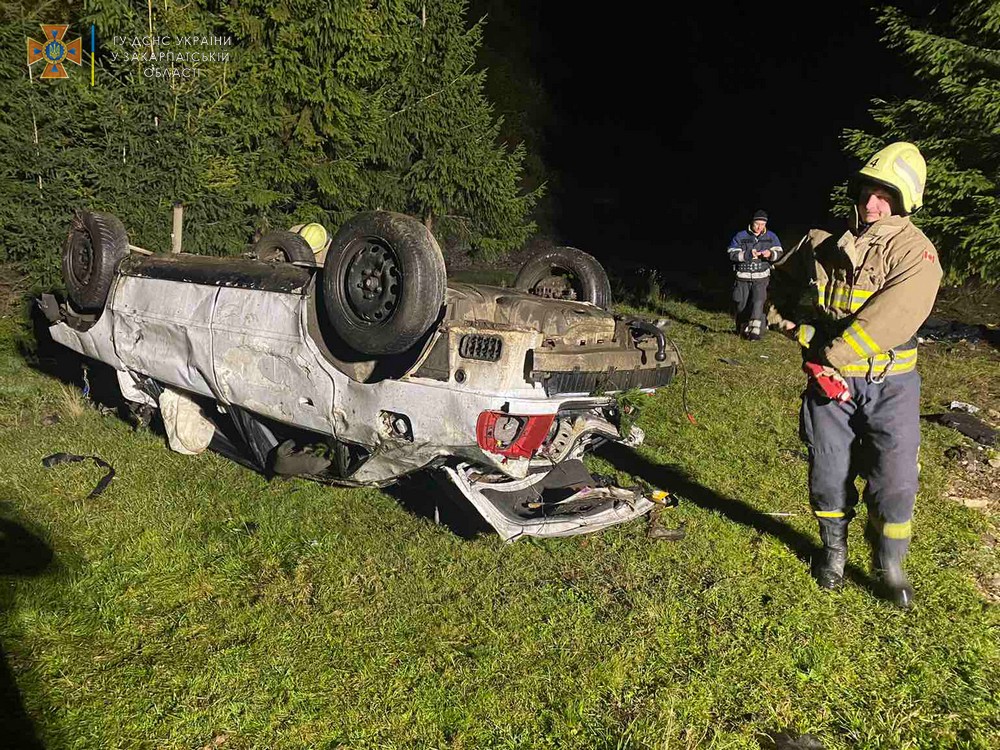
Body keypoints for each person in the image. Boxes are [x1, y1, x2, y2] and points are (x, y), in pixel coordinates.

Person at [768, 142, 941, 609]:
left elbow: (891, 318)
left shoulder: (917, 254)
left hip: (891, 386)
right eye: (867, 191)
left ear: (905, 200)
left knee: (897, 479)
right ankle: (834, 550)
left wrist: (830, 356)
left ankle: (890, 564)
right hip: (830, 386)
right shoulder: (821, 242)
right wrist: (785, 321)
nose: (871, 203)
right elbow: (779, 284)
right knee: (828, 469)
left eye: (884, 194)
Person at [727, 210, 783, 340]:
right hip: (743, 276)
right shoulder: (740, 236)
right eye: (757, 224)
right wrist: (747, 254)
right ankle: (742, 328)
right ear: (752, 222)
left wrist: (770, 254)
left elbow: (779, 251)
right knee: (741, 303)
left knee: (758, 302)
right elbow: (731, 253)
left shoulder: (771, 236)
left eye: (762, 224)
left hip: (761, 276)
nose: (759, 227)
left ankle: (755, 333)